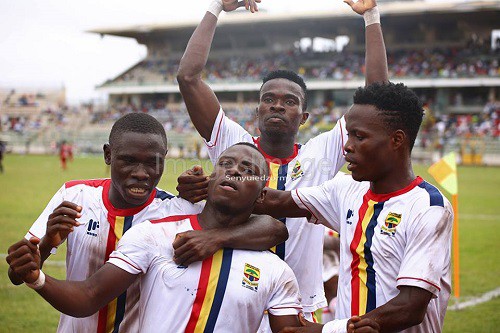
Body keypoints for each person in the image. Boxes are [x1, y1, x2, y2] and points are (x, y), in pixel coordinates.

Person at [175, 0, 388, 328]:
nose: (277, 106)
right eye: (268, 99)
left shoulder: (320, 154)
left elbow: (376, 100)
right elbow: (188, 77)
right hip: (231, 297)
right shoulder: (235, 145)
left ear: (303, 117)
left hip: (298, 304)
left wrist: (371, 16)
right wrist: (216, 6)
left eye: (289, 102)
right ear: (257, 111)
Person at [7, 113, 288, 333]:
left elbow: (273, 228)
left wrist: (215, 238)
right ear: (108, 155)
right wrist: (44, 245)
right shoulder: (74, 195)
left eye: (152, 163)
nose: (141, 174)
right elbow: (19, 273)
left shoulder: (176, 210)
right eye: (128, 161)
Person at [256, 82, 453, 333]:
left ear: (397, 140)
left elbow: (410, 307)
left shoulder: (429, 207)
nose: (347, 146)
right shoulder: (346, 190)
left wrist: (323, 331)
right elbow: (275, 201)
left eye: (359, 137)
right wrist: (208, 188)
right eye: (348, 135)